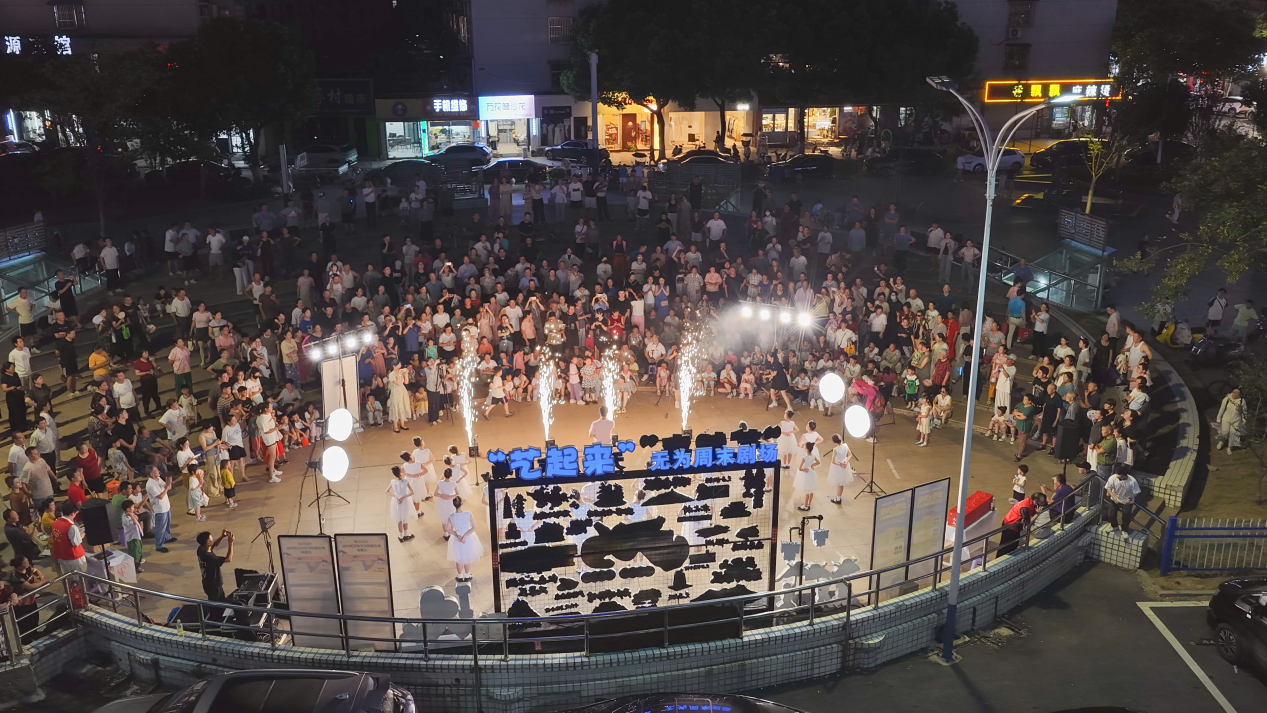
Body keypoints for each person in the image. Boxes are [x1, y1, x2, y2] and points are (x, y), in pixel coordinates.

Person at [445, 496, 483, 582]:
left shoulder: (451, 516)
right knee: (467, 557)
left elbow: (448, 529)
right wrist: (465, 535)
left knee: (458, 558)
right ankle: (467, 575)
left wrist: (457, 535)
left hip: (457, 539)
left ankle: (459, 576)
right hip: (468, 538)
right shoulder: (468, 514)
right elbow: (474, 527)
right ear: (462, 503)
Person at [196, 529, 234, 601]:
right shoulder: (210, 557)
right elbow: (228, 559)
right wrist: (230, 543)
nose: (213, 539)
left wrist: (222, 536)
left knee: (214, 600)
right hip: (214, 585)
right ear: (208, 542)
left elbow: (214, 544)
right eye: (211, 538)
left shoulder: (200, 549)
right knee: (218, 602)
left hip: (207, 583)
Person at [51, 501, 88, 574]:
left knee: (68, 576)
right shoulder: (71, 527)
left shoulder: (55, 522)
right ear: (72, 513)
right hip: (73, 557)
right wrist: (83, 534)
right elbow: (76, 543)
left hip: (61, 555)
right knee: (78, 576)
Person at [1104, 465, 1141, 535]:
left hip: (1126, 501)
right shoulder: (1113, 478)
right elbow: (1108, 488)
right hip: (1115, 499)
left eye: (1119, 476)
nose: (1116, 476)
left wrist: (1129, 498)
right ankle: (1114, 526)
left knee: (1125, 516)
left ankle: (1124, 530)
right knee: (1111, 514)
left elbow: (1136, 492)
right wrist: (1113, 496)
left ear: (1124, 475)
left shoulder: (1132, 481)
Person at [146, 466, 175, 553]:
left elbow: (168, 488)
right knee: (160, 527)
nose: (158, 471)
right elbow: (161, 496)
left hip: (166, 506)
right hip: (160, 508)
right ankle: (159, 545)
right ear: (152, 474)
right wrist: (167, 487)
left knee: (167, 523)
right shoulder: (150, 485)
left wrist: (169, 481)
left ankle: (167, 537)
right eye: (156, 470)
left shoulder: (158, 479)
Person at [387, 466, 417, 542]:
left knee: (399, 519)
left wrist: (395, 496)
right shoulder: (405, 481)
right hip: (405, 501)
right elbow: (412, 492)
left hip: (396, 501)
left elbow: (386, 491)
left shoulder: (392, 482)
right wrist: (403, 496)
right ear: (400, 472)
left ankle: (400, 536)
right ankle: (406, 535)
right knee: (405, 518)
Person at [1215, 388, 1245, 455]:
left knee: (1233, 433)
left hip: (1236, 420)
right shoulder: (1227, 399)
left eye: (1238, 392)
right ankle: (1222, 441)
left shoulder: (1241, 401)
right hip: (1226, 419)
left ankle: (1229, 447)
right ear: (1232, 392)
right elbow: (1222, 409)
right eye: (1234, 392)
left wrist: (1244, 420)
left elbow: (1244, 411)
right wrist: (1218, 418)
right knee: (1225, 432)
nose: (1236, 394)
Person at [793, 441, 820, 511]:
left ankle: (805, 506)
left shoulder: (804, 458)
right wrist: (812, 465)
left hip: (805, 475)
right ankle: (808, 504)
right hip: (811, 473)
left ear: (806, 449)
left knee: (806, 491)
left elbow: (800, 468)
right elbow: (818, 462)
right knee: (811, 490)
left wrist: (803, 469)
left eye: (804, 447)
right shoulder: (813, 456)